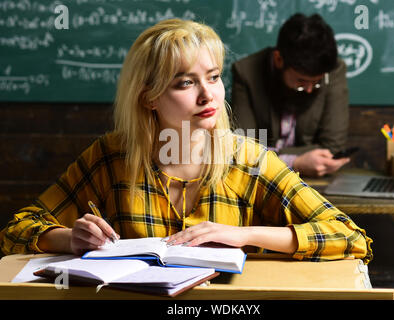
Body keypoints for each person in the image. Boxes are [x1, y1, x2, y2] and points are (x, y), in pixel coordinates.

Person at [0, 19, 372, 264]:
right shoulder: (110, 155)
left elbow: (350, 237)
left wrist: (241, 235)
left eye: (212, 77)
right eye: (185, 83)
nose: (208, 95)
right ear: (149, 97)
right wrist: (70, 239)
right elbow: (16, 231)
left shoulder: (248, 158)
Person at [232, 13, 350, 178]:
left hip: (315, 182)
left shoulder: (333, 70)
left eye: (317, 82)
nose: (310, 89)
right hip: (259, 180)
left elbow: (332, 148)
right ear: (279, 59)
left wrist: (269, 153)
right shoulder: (246, 72)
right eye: (301, 81)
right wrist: (294, 162)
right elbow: (243, 148)